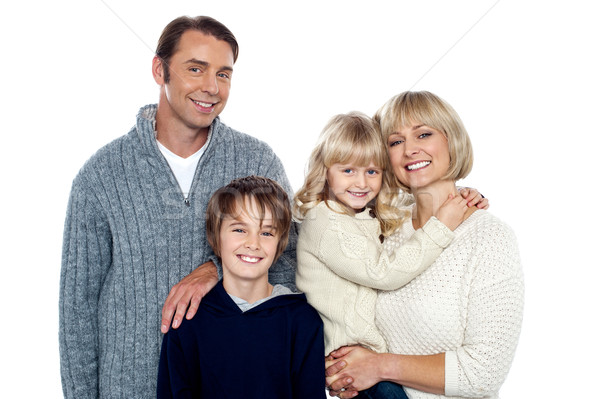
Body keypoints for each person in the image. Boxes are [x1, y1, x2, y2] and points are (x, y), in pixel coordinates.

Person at [59, 16, 297, 399]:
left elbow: (291, 266)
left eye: (224, 74)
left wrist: (216, 268)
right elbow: (77, 313)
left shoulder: (258, 162)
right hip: (128, 390)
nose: (211, 87)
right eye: (195, 69)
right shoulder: (101, 176)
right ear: (160, 69)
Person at [325, 91, 524, 399]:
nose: (410, 150)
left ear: (451, 140)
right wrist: (343, 367)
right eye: (395, 142)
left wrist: (378, 366)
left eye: (424, 134)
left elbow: (484, 373)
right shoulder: (381, 226)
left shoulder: (489, 238)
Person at [294, 112, 484, 399]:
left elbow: (413, 203)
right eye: (348, 171)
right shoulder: (325, 222)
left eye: (372, 171)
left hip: (371, 360)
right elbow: (381, 274)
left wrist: (458, 196)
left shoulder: (359, 211)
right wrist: (441, 227)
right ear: (325, 171)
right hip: (349, 361)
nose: (361, 183)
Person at [157, 176, 325, 398]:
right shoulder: (189, 319)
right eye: (239, 229)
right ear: (216, 238)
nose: (253, 243)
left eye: (266, 233)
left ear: (279, 244)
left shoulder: (302, 320)